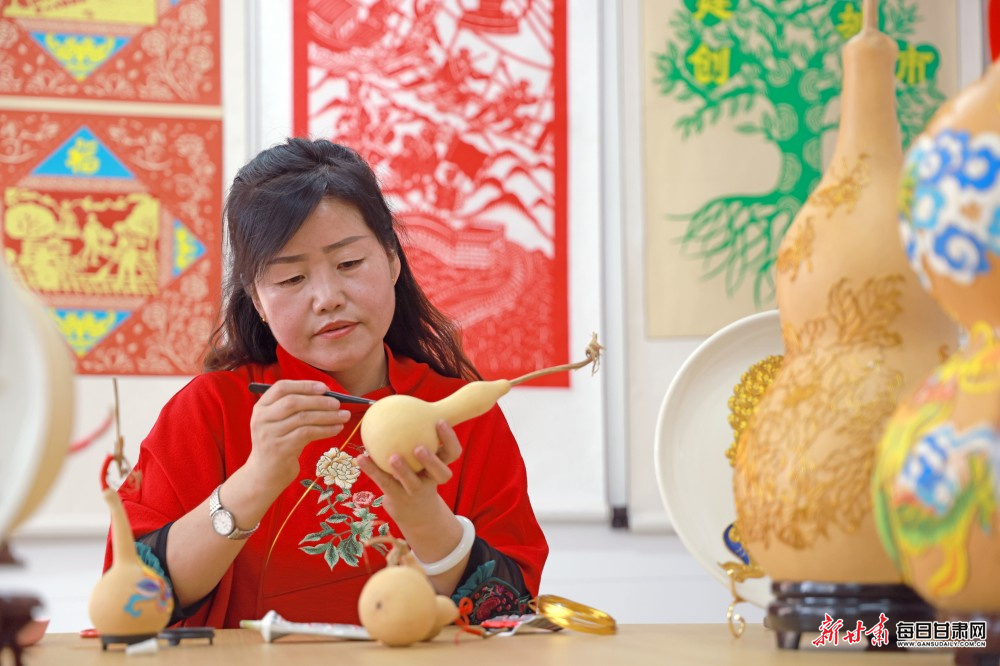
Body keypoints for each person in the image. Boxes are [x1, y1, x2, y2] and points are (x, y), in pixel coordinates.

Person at [106, 138, 548, 628]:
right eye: (291, 279)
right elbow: (127, 601)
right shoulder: (210, 409)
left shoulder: (462, 414)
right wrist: (256, 479)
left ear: (393, 260)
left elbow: (511, 615)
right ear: (257, 300)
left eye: (349, 264)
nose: (327, 297)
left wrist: (425, 513)